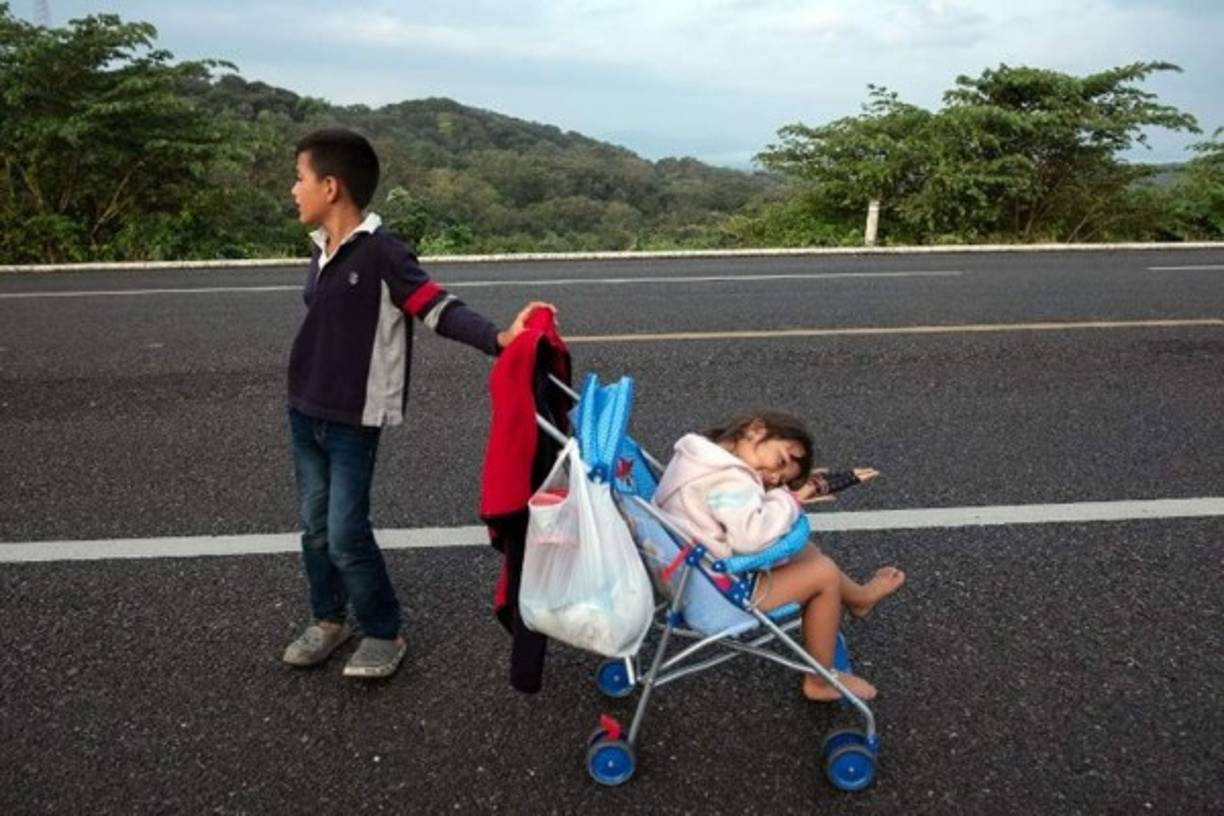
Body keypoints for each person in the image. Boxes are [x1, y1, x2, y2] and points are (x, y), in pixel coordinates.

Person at [281, 127, 553, 679]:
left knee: (347, 532)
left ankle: (383, 630)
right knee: (314, 528)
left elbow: (437, 307)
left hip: (355, 419)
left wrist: (499, 339)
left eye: (300, 178)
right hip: (303, 409)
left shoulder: (383, 251)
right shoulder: (321, 248)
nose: (293, 189)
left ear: (330, 186)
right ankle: (328, 618)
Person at [652, 411, 905, 702]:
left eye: (779, 480)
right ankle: (820, 680)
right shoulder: (732, 482)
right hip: (716, 589)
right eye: (781, 462)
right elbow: (751, 538)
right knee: (822, 573)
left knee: (802, 550)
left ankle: (858, 599)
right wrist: (788, 499)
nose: (773, 477)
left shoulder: (699, 454)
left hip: (684, 569)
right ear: (756, 430)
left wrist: (772, 493)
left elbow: (730, 515)